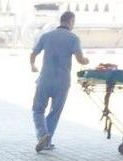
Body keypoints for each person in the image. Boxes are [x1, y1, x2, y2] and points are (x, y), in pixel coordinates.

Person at [30, 11, 89, 153]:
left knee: (38, 110)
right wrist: (86, 61)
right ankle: (47, 141)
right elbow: (80, 59)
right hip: (62, 82)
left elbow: (33, 53)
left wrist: (33, 65)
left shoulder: (46, 36)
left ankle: (43, 134)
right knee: (55, 112)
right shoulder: (73, 38)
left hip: (45, 80)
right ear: (70, 21)